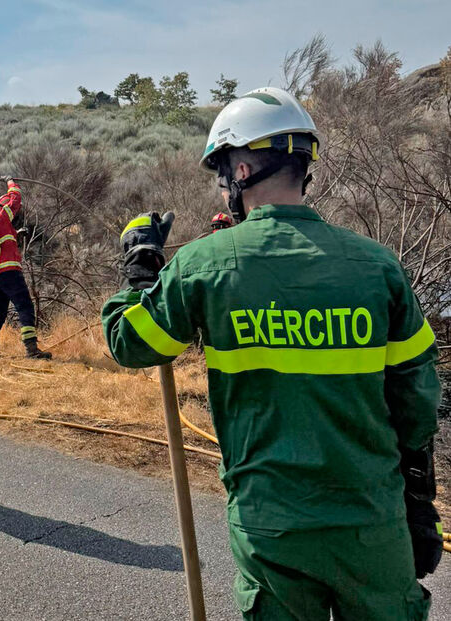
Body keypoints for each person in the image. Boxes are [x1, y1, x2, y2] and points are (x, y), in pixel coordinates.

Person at [102, 87, 440, 619]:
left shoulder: (202, 266)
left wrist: (139, 270)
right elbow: (418, 403)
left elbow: (132, 343)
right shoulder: (379, 267)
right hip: (372, 522)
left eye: (221, 174)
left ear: (239, 172)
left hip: (272, 523)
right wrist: (420, 504)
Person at [0, 177, 51, 359]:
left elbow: (1, 242)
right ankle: (31, 350)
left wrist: (16, 234)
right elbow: (15, 200)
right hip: (10, 272)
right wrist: (11, 182)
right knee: (25, 306)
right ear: (2, 207)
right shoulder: (0, 216)